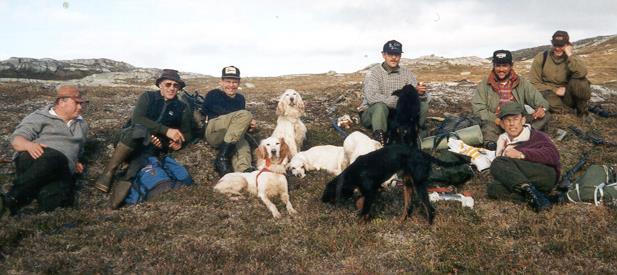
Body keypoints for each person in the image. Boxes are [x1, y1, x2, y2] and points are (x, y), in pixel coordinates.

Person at [94, 69, 192, 205]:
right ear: (160, 85)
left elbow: (187, 133)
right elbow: (137, 119)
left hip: (155, 145)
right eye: (168, 84)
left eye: (176, 86)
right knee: (137, 131)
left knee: (142, 160)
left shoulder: (182, 107)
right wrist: (166, 130)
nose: (172, 88)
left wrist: (179, 142)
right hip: (130, 138)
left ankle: (123, 187)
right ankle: (109, 172)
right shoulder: (147, 97)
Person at [1, 86, 88, 217]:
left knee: (58, 200)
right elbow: (16, 140)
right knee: (54, 156)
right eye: (76, 103)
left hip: (62, 166)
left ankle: (28, 220)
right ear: (61, 102)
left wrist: (76, 161)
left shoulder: (82, 124)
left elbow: (78, 148)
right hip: (36, 158)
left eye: (81, 103)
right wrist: (28, 145)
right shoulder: (39, 116)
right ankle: (11, 198)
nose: (80, 107)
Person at [487, 102, 560, 212]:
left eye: (515, 119)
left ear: (523, 120)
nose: (512, 124)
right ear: (502, 124)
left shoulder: (536, 135)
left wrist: (522, 154)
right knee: (493, 188)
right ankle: (538, 196)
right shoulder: (502, 139)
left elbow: (553, 154)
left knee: (498, 162)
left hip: (544, 175)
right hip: (522, 179)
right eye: (507, 120)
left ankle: (531, 192)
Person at [472, 49, 549, 150]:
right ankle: (494, 145)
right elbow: (478, 109)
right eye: (498, 66)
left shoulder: (521, 82)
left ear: (511, 66)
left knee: (546, 115)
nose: (501, 69)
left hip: (519, 121)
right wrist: (497, 121)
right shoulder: (484, 84)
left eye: (504, 65)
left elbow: (539, 100)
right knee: (488, 128)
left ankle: (525, 134)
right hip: (497, 121)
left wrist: (541, 109)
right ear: (493, 66)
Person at [358, 40, 428, 145]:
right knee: (380, 106)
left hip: (396, 114)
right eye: (390, 54)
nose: (394, 57)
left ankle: (417, 131)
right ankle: (380, 140)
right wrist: (400, 102)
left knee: (423, 105)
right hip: (374, 114)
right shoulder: (373, 73)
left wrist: (421, 94)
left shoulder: (407, 73)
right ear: (383, 55)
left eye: (397, 54)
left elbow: (414, 95)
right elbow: (372, 97)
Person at [202, 66, 256, 176]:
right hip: (214, 131)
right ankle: (222, 158)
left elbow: (238, 124)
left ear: (239, 83)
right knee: (246, 115)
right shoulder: (213, 94)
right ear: (221, 82)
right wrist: (245, 119)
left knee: (242, 140)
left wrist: (250, 126)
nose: (231, 85)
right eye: (228, 81)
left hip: (230, 136)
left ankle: (244, 170)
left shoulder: (240, 99)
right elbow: (222, 113)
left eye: (234, 82)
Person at [530, 30, 592, 119]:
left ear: (567, 45)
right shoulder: (541, 57)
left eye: (561, 45)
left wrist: (569, 54)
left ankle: (582, 111)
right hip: (549, 93)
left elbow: (582, 73)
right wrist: (555, 90)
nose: (558, 48)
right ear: (552, 44)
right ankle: (569, 113)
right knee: (547, 99)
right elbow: (534, 82)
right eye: (555, 45)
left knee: (581, 82)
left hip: (568, 94)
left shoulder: (572, 58)